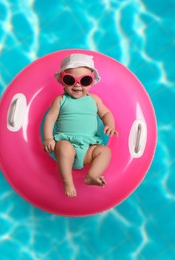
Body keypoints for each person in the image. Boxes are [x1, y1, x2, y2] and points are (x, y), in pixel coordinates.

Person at [42, 53, 118, 197]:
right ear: (62, 81)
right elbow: (50, 118)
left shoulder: (94, 100)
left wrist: (110, 125)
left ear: (92, 81)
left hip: (88, 149)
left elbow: (106, 114)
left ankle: (92, 175)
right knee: (64, 147)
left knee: (105, 151)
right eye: (70, 80)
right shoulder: (60, 100)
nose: (77, 85)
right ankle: (68, 182)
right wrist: (48, 138)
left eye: (85, 80)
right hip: (66, 145)